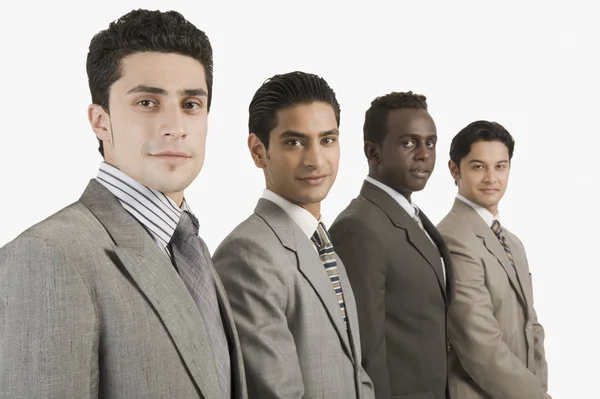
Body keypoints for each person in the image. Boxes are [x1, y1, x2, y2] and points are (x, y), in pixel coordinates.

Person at [0, 9, 246, 399]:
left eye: (191, 104)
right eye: (147, 102)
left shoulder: (190, 246)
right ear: (100, 121)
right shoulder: (46, 256)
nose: (175, 126)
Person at [211, 71, 374, 399]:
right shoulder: (248, 254)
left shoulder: (323, 245)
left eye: (327, 140)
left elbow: (357, 376)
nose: (316, 160)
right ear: (258, 151)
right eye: (295, 142)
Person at [329, 91, 452, 398]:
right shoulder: (358, 228)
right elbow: (366, 353)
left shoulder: (414, 218)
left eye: (431, 142)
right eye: (409, 143)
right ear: (373, 152)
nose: (424, 154)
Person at [437, 120, 550, 399]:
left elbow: (531, 326)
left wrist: (539, 389)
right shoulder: (453, 238)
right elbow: (478, 342)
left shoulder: (513, 243)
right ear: (455, 170)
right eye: (478, 167)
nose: (491, 178)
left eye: (500, 166)